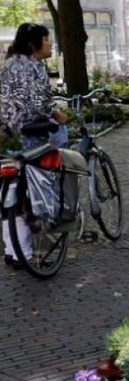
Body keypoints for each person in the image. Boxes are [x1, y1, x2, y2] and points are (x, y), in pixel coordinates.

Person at [0, 23, 69, 266]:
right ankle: (29, 249)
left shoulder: (9, 63)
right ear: (33, 44)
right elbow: (39, 103)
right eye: (46, 39)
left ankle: (13, 250)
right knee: (36, 189)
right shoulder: (35, 66)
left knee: (12, 194)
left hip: (10, 135)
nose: (50, 44)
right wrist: (57, 114)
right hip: (33, 134)